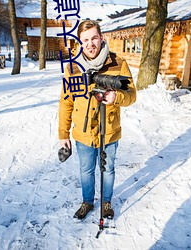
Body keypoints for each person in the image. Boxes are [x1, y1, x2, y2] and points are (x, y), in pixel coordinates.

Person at [58, 20, 136, 220]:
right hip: (83, 133)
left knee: (108, 168)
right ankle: (87, 202)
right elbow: (66, 102)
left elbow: (132, 95)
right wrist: (63, 134)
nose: (90, 44)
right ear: (80, 42)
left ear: (101, 38)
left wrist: (116, 97)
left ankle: (107, 202)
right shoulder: (73, 68)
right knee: (86, 170)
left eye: (94, 38)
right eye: (85, 40)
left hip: (109, 130)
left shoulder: (118, 63)